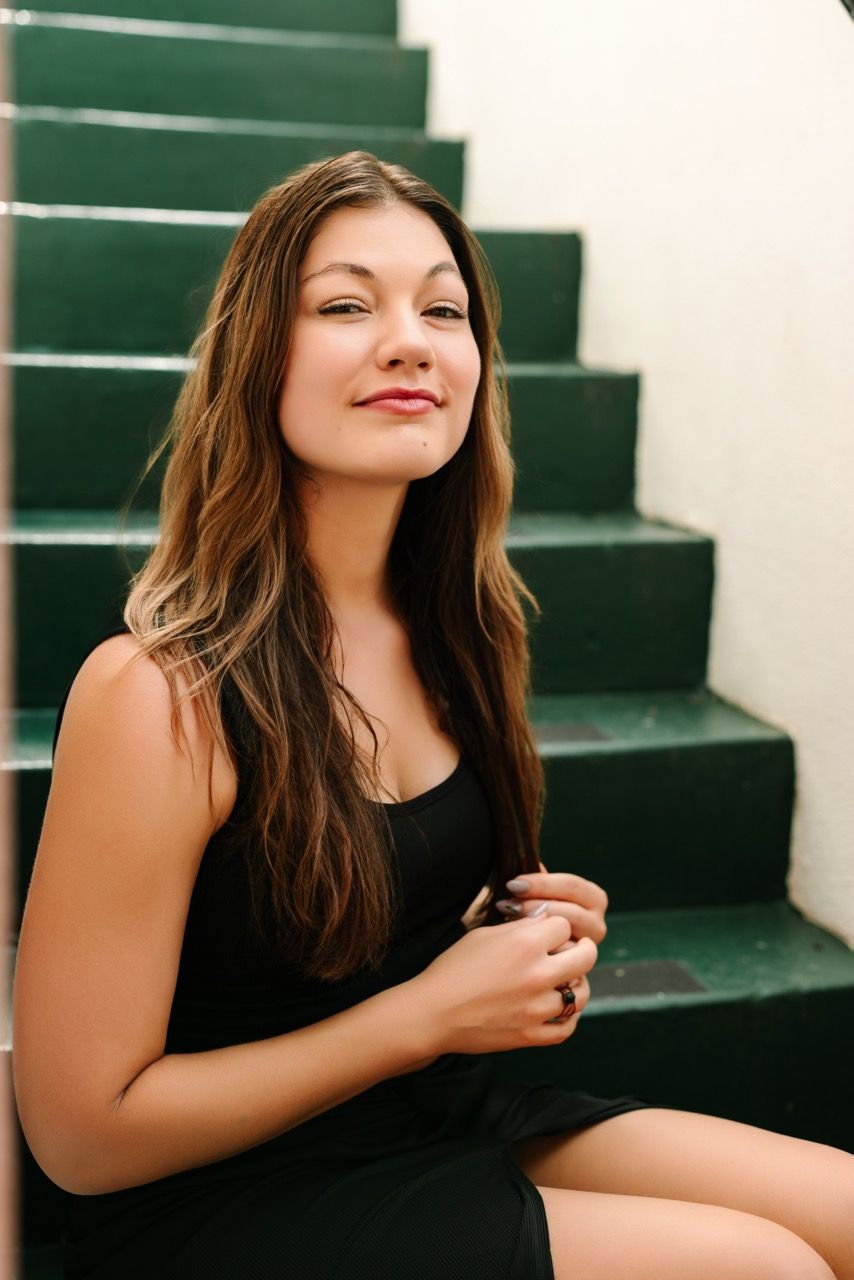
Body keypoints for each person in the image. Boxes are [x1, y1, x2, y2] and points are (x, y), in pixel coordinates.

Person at [12, 150, 854, 1280]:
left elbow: (369, 928)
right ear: (257, 354)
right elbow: (81, 1138)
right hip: (227, 1198)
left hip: (438, 1109)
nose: (409, 341)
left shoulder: (460, 629)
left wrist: (521, 941)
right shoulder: (159, 694)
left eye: (443, 309)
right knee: (766, 1269)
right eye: (345, 304)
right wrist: (426, 1013)